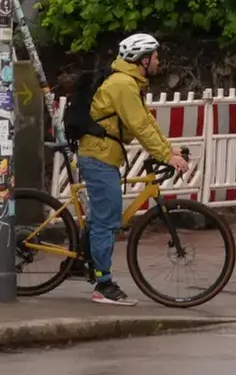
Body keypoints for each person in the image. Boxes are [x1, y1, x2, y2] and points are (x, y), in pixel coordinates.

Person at [76, 33, 190, 305]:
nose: (158, 61)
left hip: (104, 155)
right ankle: (103, 285)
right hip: (99, 157)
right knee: (107, 220)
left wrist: (168, 149)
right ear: (143, 59)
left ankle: (81, 260)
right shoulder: (123, 85)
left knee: (102, 216)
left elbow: (146, 123)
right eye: (156, 56)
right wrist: (165, 155)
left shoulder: (129, 83)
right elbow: (138, 126)